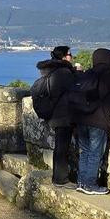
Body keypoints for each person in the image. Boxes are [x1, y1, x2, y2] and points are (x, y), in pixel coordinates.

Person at [74, 49, 110, 195]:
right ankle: (90, 184)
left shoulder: (88, 73)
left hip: (82, 118)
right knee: (95, 152)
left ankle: (81, 181)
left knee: (85, 151)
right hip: (99, 119)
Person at [36, 46, 78, 189]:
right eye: (70, 54)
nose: (71, 56)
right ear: (64, 56)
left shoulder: (50, 70)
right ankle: (61, 179)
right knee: (62, 147)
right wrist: (77, 73)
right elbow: (76, 89)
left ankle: (58, 177)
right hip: (63, 115)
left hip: (54, 114)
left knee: (60, 146)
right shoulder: (64, 72)